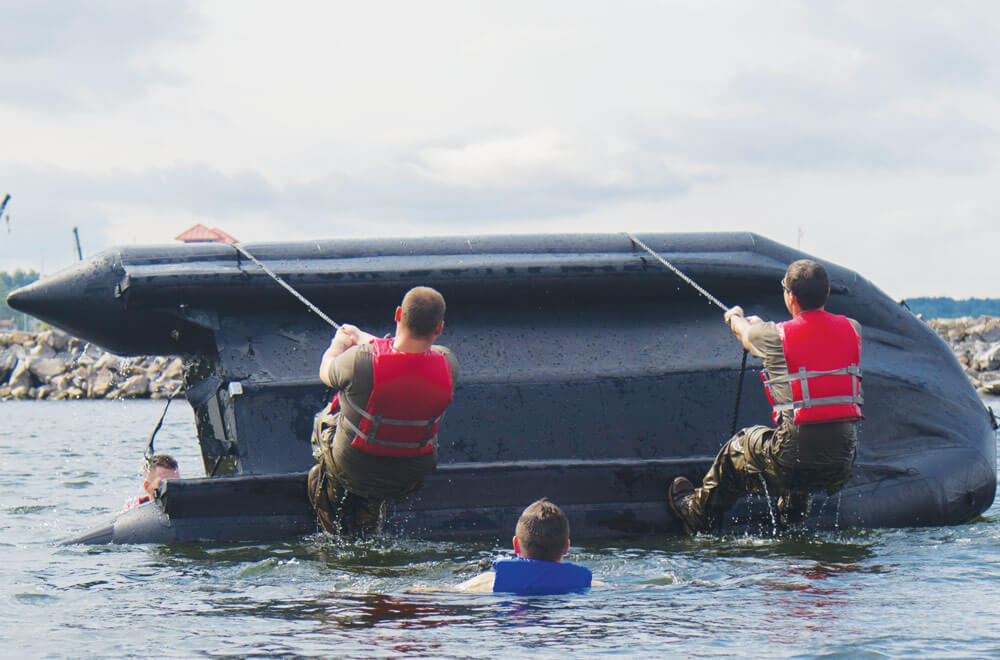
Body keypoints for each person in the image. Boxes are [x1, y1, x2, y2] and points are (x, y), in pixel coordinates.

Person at [669, 259, 863, 533]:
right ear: (827, 293)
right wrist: (764, 327)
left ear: (790, 296)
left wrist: (734, 317)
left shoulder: (774, 336)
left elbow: (746, 335)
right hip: (842, 462)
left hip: (792, 459)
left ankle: (698, 510)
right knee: (803, 459)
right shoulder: (853, 329)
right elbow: (810, 339)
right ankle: (791, 517)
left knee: (738, 447)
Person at [308, 286, 459, 537]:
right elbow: (405, 358)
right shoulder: (448, 363)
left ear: (398, 314)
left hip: (353, 468)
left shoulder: (357, 361)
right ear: (439, 327)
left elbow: (326, 371)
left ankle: (332, 521)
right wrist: (360, 336)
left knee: (326, 417)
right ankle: (371, 512)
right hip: (409, 478)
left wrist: (339, 344)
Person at [458, 498, 592, 594]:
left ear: (516, 545)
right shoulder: (585, 583)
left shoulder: (488, 581)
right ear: (566, 547)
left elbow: (440, 592)